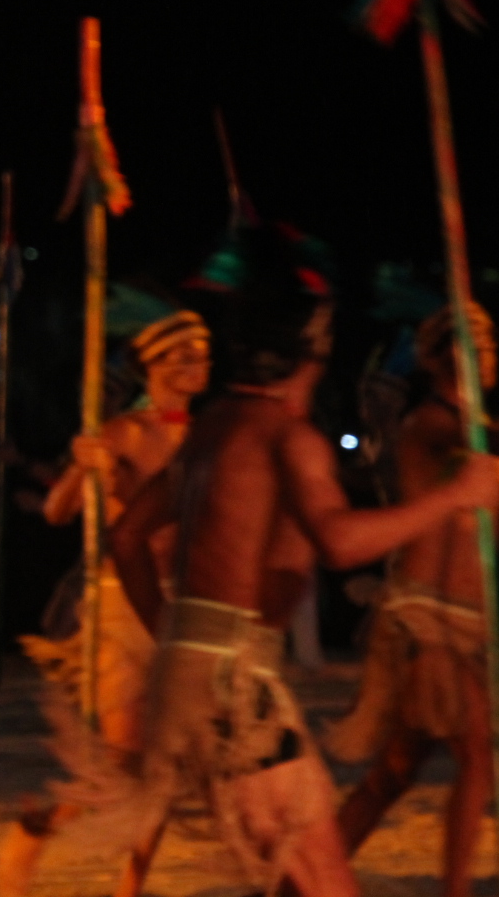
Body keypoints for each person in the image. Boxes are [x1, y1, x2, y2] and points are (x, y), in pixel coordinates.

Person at [107, 227, 499, 897]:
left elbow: (126, 540)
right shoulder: (288, 436)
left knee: (300, 877)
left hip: (199, 675)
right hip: (234, 687)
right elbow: (340, 544)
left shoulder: (213, 428)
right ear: (313, 346)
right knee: (323, 884)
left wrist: (178, 639)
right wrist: (456, 496)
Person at [0, 307, 210, 896]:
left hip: (184, 608)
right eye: (183, 355)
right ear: (152, 365)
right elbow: (57, 511)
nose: (198, 364)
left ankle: (131, 885)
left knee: (168, 764)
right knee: (119, 760)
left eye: (203, 353)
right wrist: (81, 468)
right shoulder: (127, 432)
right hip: (122, 607)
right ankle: (34, 827)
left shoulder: (210, 436)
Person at [327, 302, 496, 897]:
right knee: (477, 752)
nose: (483, 359)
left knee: (392, 776)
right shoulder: (431, 426)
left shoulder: (478, 434)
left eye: (489, 348)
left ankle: (298, 887)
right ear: (435, 360)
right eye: (470, 349)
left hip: (465, 622)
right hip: (427, 616)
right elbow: (476, 478)